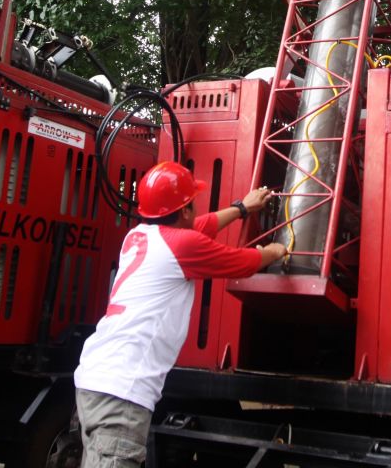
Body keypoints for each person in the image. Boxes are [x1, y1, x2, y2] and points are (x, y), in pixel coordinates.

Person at [74, 161, 288, 468]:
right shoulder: (182, 245)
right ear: (185, 210)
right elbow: (242, 263)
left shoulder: (138, 236)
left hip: (96, 379)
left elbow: (202, 225)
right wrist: (275, 251)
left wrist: (242, 207)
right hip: (123, 390)